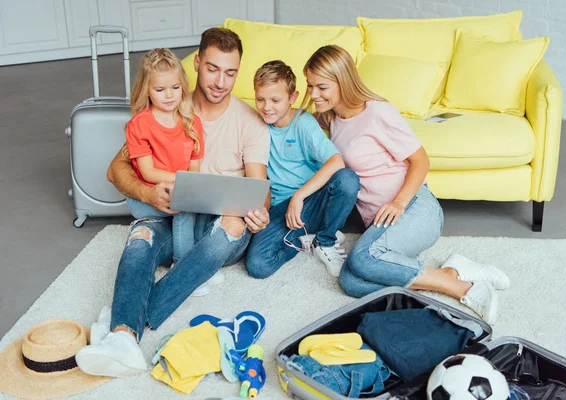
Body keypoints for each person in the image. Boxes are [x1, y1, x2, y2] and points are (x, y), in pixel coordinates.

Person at [75, 28, 271, 378]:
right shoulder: (167, 103)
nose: (220, 82)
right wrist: (148, 192)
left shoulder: (249, 122)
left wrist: (258, 211)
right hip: (165, 214)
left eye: (230, 72)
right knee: (139, 242)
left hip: (217, 222)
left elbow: (260, 187)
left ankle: (123, 319)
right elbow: (116, 169)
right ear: (196, 63)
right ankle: (122, 337)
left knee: (229, 227)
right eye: (212, 69)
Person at [302, 45, 511, 325]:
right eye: (310, 86)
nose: (314, 94)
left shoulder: (377, 113)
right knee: (350, 282)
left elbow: (421, 161)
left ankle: (466, 289)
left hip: (414, 208)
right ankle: (449, 274)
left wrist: (399, 202)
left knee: (362, 260)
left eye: (322, 87)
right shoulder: (331, 118)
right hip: (381, 226)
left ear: (344, 81)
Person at [245, 60, 360, 279]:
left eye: (275, 100)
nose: (266, 107)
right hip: (282, 209)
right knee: (258, 265)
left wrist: (299, 196)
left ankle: (325, 240)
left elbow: (336, 161)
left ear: (292, 98)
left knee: (347, 179)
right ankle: (304, 241)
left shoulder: (303, 123)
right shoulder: (255, 125)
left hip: (314, 199)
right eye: (260, 99)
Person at [124, 48, 203, 263]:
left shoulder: (192, 121)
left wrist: (186, 186)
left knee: (193, 206)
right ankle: (183, 267)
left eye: (175, 88)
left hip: (178, 189)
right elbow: (148, 173)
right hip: (146, 198)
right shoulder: (139, 124)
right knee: (185, 210)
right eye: (160, 89)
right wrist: (183, 183)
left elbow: (194, 168)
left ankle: (192, 260)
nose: (169, 95)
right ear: (146, 90)